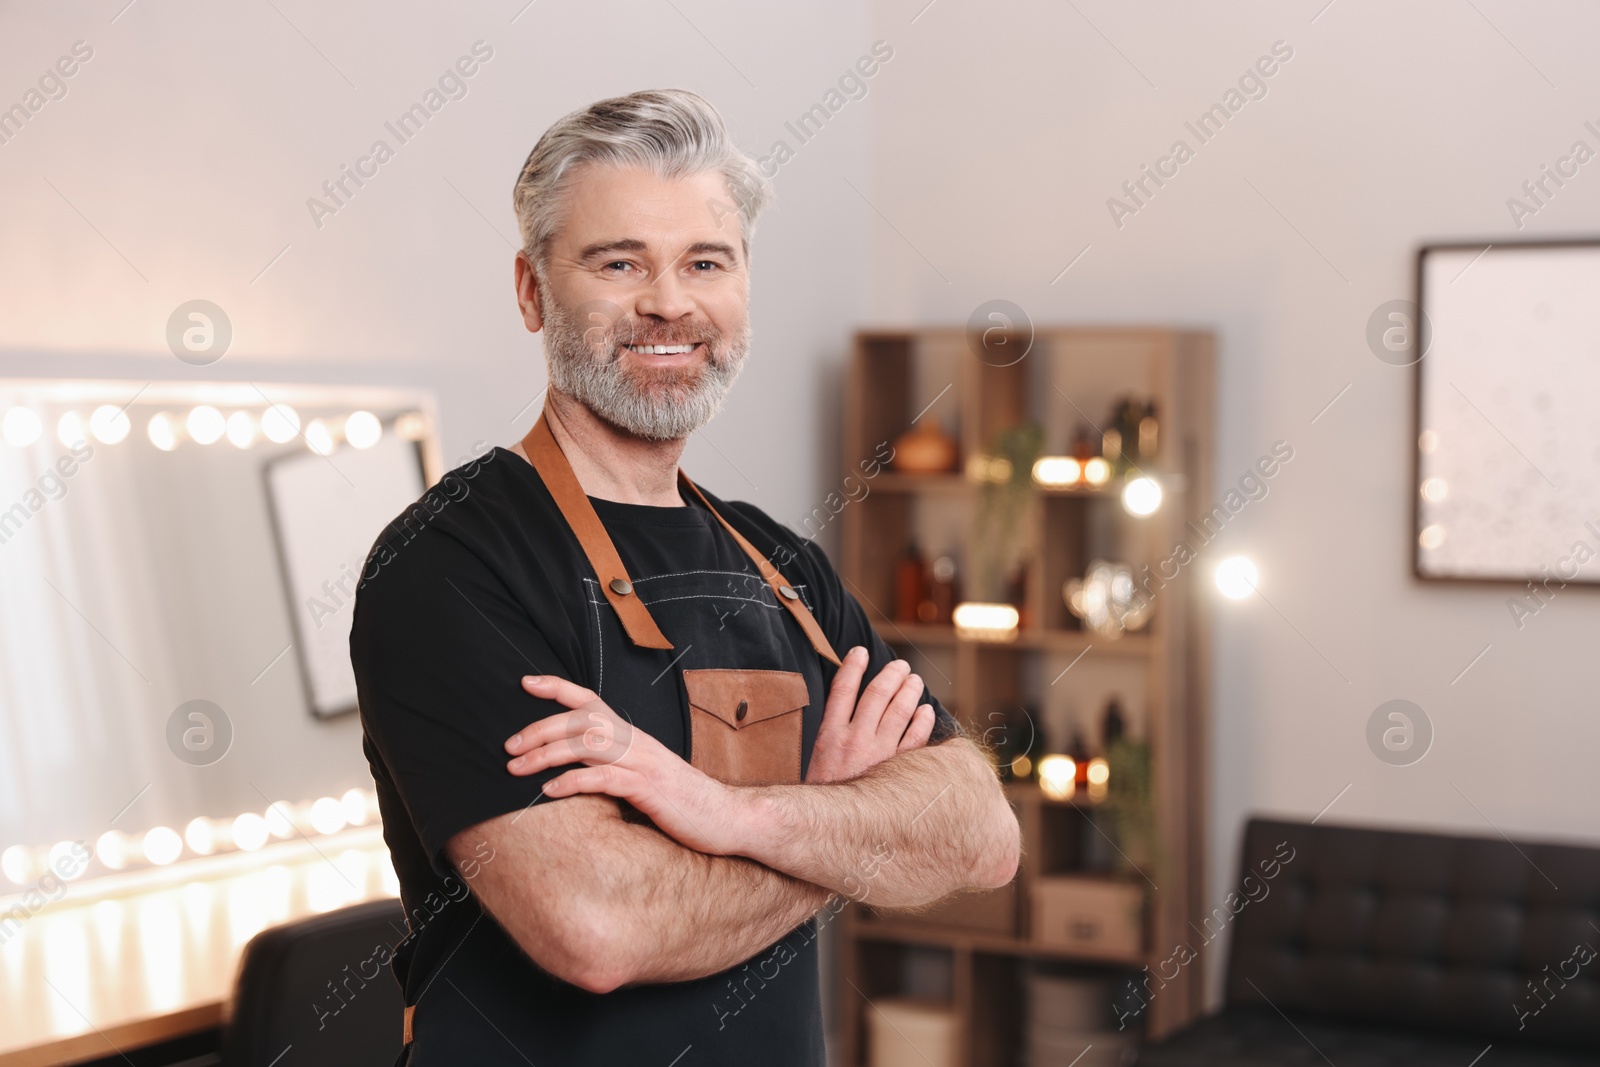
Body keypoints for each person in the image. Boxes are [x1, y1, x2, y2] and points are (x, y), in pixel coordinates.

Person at [351, 88, 1020, 1066]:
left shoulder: (784, 565)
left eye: (705, 262)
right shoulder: (452, 564)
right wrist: (838, 826)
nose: (669, 301)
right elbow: (596, 928)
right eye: (618, 262)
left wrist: (737, 813)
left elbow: (978, 834)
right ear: (532, 290)